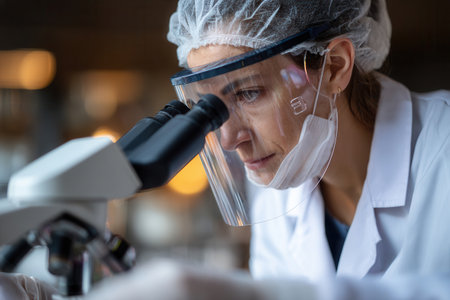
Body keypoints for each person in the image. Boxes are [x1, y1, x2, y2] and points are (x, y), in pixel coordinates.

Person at [3, 0, 450, 299]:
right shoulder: (282, 178)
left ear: (334, 67)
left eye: (250, 93)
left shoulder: (443, 149)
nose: (229, 137)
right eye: (209, 106)